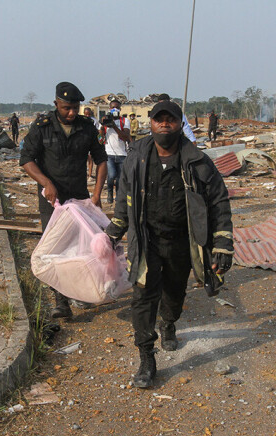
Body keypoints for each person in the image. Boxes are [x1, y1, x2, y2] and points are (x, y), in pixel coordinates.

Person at [105, 101, 234, 389]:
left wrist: (223, 243)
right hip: (146, 239)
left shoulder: (197, 161)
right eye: (159, 119)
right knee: (143, 297)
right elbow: (125, 191)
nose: (165, 124)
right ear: (150, 123)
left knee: (174, 293)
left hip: (181, 242)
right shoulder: (137, 155)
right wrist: (116, 228)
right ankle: (146, 357)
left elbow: (218, 202)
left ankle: (169, 322)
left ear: (179, 124)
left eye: (171, 120)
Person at [20, 81, 108, 319]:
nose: (71, 113)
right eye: (66, 107)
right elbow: (27, 159)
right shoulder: (42, 127)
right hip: (53, 202)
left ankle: (81, 291)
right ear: (56, 103)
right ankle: (61, 302)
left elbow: (101, 160)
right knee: (55, 249)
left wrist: (97, 194)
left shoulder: (87, 127)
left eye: (75, 108)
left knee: (82, 247)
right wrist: (46, 183)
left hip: (79, 198)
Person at [99, 99, 130, 204]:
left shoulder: (125, 121)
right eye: (112, 107)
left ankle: (118, 197)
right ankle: (109, 193)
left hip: (122, 154)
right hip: (109, 154)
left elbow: (126, 137)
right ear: (109, 109)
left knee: (120, 178)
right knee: (111, 176)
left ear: (120, 109)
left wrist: (114, 126)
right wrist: (102, 128)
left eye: (116, 107)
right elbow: (99, 139)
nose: (114, 109)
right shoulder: (105, 120)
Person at [83, 107, 99, 180]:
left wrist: (100, 141)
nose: (87, 116)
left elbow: (98, 131)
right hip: (83, 141)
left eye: (89, 114)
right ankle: (83, 174)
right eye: (86, 114)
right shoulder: (81, 120)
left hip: (91, 141)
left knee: (90, 159)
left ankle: (90, 175)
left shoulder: (94, 121)